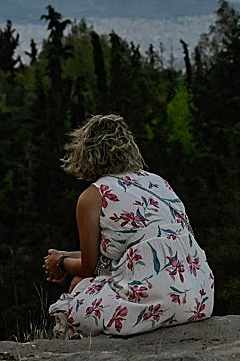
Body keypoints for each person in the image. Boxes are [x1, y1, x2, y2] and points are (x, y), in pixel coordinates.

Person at [43, 114, 214, 337]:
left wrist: (62, 262)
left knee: (78, 285)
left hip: (157, 301)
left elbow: (89, 267)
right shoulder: (158, 182)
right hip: (198, 297)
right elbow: (128, 250)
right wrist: (63, 255)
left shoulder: (94, 196)